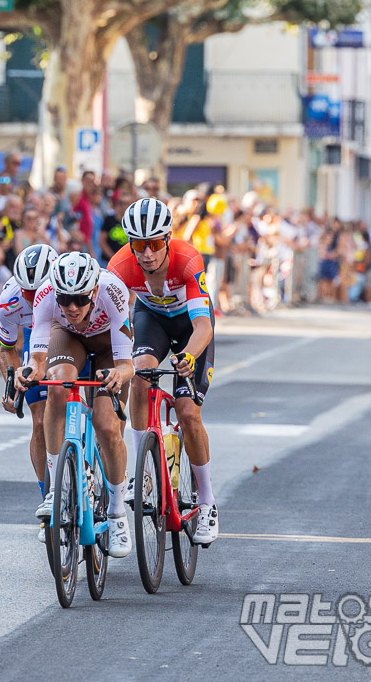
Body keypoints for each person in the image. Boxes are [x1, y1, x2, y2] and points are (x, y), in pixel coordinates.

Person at [106, 197, 218, 544]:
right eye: (139, 245)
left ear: (167, 239)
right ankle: (144, 473)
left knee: (188, 412)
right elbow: (116, 323)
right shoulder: (120, 266)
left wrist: (187, 356)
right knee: (139, 377)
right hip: (151, 319)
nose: (147, 253)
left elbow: (203, 326)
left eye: (155, 244)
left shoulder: (187, 260)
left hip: (189, 327)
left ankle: (207, 501)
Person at [16, 251, 134, 557]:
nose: (71, 307)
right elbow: (39, 361)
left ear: (94, 290)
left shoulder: (113, 290)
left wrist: (118, 374)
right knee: (57, 385)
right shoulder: (46, 296)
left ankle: (118, 512)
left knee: (107, 426)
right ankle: (57, 490)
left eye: (80, 300)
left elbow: (126, 364)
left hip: (110, 346)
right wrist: (27, 372)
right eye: (65, 299)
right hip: (68, 339)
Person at [0, 244, 57, 542]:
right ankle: (49, 498)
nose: (33, 299)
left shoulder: (69, 285)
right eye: (27, 292)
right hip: (36, 338)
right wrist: (11, 383)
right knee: (41, 420)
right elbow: (7, 348)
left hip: (72, 328)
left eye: (39, 290)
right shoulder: (8, 301)